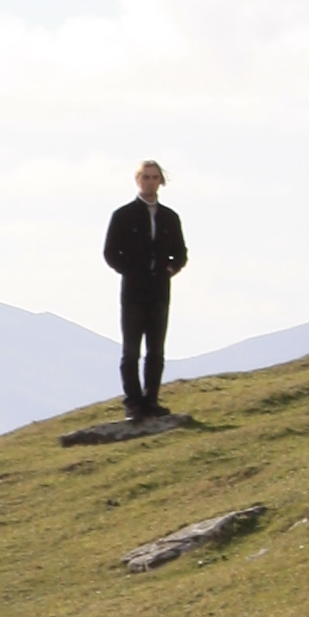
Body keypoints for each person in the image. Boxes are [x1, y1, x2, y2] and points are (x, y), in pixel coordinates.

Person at [103, 159, 187, 421]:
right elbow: (110, 252)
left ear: (161, 181)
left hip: (159, 292)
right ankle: (133, 402)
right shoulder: (123, 215)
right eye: (146, 177)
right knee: (131, 351)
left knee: (156, 350)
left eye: (154, 177)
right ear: (138, 180)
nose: (150, 182)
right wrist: (130, 271)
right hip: (133, 293)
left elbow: (180, 253)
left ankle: (151, 401)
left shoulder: (169, 217)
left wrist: (168, 270)